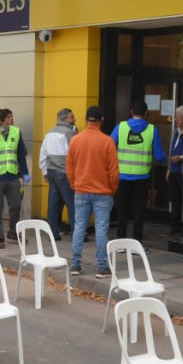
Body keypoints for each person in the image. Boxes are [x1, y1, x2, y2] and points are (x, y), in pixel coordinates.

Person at [67, 106, 119, 278]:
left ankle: (75, 265)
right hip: (103, 192)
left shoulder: (75, 140)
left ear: (86, 119)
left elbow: (70, 167)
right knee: (101, 228)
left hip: (81, 190)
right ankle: (102, 267)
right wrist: (112, 189)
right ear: (101, 120)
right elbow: (114, 171)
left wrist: (75, 184)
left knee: (79, 227)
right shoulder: (107, 142)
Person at [113, 99, 166, 243]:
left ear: (131, 112)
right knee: (139, 210)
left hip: (122, 176)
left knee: (122, 208)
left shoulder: (121, 127)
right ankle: (136, 239)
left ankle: (120, 238)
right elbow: (159, 156)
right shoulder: (152, 130)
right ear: (146, 113)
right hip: (142, 178)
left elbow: (109, 147)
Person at [0, 107, 30, 249]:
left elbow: (21, 154)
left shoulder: (16, 132)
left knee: (16, 205)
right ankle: (0, 235)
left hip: (12, 177)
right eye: (8, 117)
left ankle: (12, 232)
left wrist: (25, 172)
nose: (11, 119)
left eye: (11, 116)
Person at [38, 108, 77, 240]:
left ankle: (52, 233)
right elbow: (74, 154)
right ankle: (77, 234)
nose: (75, 119)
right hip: (64, 173)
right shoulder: (68, 133)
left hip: (51, 172)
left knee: (53, 204)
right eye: (72, 117)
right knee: (72, 203)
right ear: (64, 119)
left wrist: (44, 171)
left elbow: (43, 154)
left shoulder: (50, 133)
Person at [167, 105, 183, 235]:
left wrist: (181, 157)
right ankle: (174, 225)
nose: (176, 119)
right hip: (173, 171)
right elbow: (171, 149)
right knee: (174, 199)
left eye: (178, 117)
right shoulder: (175, 132)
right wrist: (169, 168)